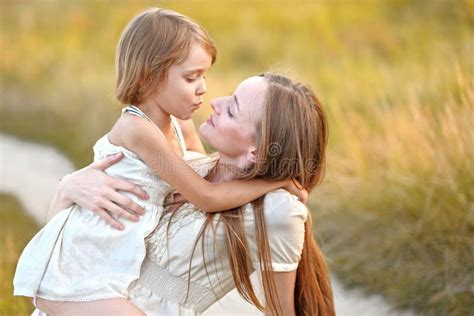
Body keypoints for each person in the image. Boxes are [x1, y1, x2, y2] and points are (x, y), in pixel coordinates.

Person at [13, 8, 303, 307]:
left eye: (204, 75)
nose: (204, 89)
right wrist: (275, 180)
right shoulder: (136, 128)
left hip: (116, 263)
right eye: (192, 78)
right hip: (86, 261)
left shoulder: (181, 127)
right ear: (149, 78)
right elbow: (207, 196)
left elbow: (200, 180)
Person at [36, 74, 335, 316]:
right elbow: (64, 241)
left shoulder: (277, 210)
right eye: (229, 96)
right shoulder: (186, 166)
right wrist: (68, 188)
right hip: (76, 300)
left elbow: (282, 312)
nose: (216, 102)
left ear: (256, 151)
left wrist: (277, 186)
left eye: (232, 110)